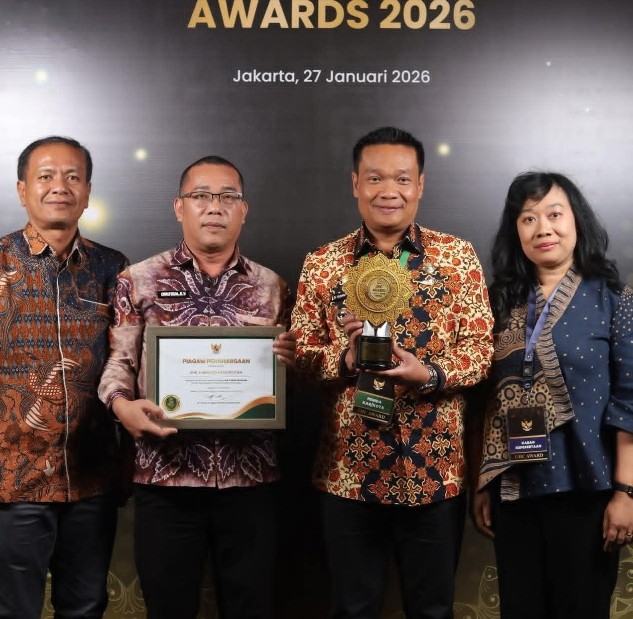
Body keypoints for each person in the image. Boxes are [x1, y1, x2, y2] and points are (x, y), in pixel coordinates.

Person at [291, 126, 494, 619]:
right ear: (355, 183)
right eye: (375, 178)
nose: (389, 191)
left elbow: (481, 349)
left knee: (432, 609)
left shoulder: (457, 257)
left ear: (420, 185)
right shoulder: (322, 263)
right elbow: (301, 354)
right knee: (352, 608)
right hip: (348, 472)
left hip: (435, 469)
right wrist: (344, 359)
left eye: (402, 179)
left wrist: (430, 374)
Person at [98, 155, 296, 619]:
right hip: (165, 479)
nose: (214, 207)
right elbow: (118, 364)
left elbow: (292, 379)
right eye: (201, 195)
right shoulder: (137, 280)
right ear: (179, 207)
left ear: (243, 210)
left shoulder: (273, 287)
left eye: (228, 197)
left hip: (250, 480)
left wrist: (292, 362)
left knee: (251, 609)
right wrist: (122, 407)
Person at [470, 172, 633, 619]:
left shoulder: (614, 300)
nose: (543, 228)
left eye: (554, 214)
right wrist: (482, 484)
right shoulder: (498, 303)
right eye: (528, 218)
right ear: (515, 231)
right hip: (514, 490)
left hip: (587, 488)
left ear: (576, 220)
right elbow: (483, 401)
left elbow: (629, 402)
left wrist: (626, 493)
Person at [0, 136, 129, 619]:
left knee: (85, 606)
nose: (60, 186)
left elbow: (129, 362)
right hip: (13, 479)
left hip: (91, 474)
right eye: (46, 176)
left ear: (88, 192)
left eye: (73, 177)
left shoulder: (112, 267)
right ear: (22, 190)